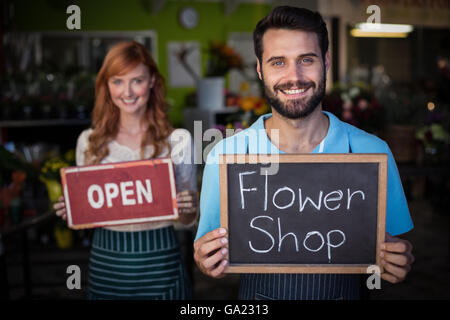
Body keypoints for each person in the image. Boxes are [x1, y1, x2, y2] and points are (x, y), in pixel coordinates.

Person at [194, 6, 415, 300]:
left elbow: (394, 248)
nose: (293, 76)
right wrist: (205, 260)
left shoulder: (372, 152)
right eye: (278, 62)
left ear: (325, 62)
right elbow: (207, 250)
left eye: (306, 60)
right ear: (260, 69)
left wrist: (398, 261)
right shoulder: (226, 155)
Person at [54, 41, 197, 300]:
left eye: (137, 80)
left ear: (152, 81)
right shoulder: (89, 142)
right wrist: (73, 210)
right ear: (106, 86)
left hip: (162, 264)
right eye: (117, 81)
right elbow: (85, 220)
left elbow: (187, 222)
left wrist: (189, 209)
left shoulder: (179, 140)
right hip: (107, 264)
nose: (127, 91)